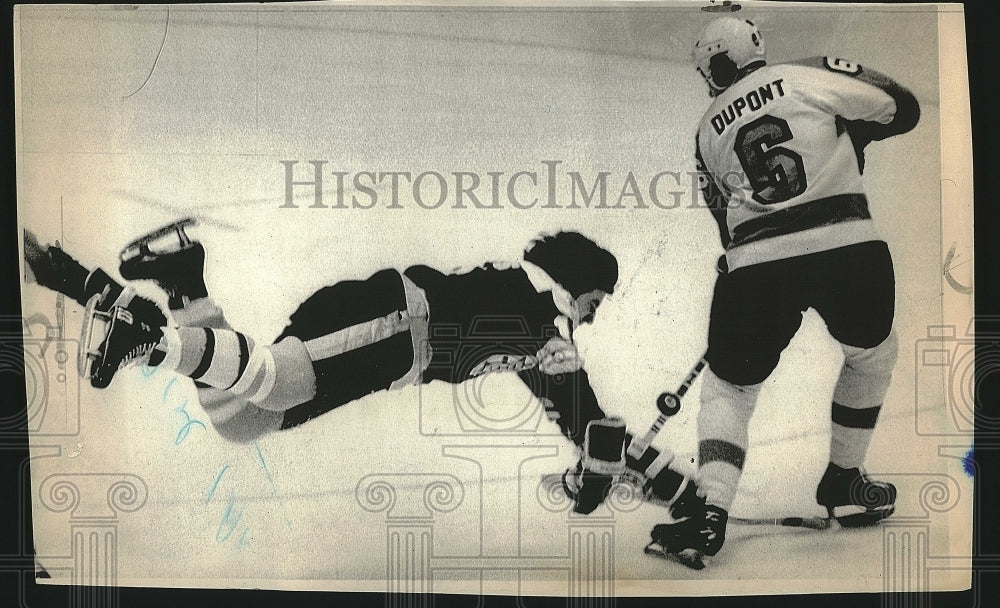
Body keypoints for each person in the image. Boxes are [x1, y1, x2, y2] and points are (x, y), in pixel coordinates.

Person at [23, 221, 703, 518]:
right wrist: (625, 484)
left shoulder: (533, 332)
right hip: (385, 319)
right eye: (595, 300)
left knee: (242, 419)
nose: (594, 315)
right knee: (274, 382)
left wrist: (670, 483)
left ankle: (179, 285)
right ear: (575, 285)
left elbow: (585, 420)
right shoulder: (541, 315)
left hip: (384, 347)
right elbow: (595, 431)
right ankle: (145, 335)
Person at [649, 17, 921, 566]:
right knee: (871, 356)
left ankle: (709, 513)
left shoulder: (707, 129)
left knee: (729, 387)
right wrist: (855, 132)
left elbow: (722, 220)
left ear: (710, 69)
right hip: (848, 247)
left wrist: (742, 269)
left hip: (756, 262)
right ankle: (844, 480)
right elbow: (902, 106)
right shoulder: (804, 75)